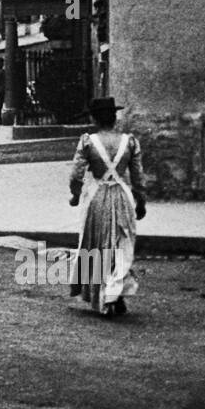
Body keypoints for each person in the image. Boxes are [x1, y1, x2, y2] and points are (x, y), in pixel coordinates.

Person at [67, 97, 147, 317]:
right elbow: (139, 177)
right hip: (122, 196)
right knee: (122, 244)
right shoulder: (129, 142)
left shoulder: (88, 142)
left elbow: (76, 175)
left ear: (94, 119)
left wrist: (75, 196)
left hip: (97, 197)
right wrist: (140, 201)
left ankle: (102, 295)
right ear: (114, 118)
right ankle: (115, 293)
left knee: (97, 243)